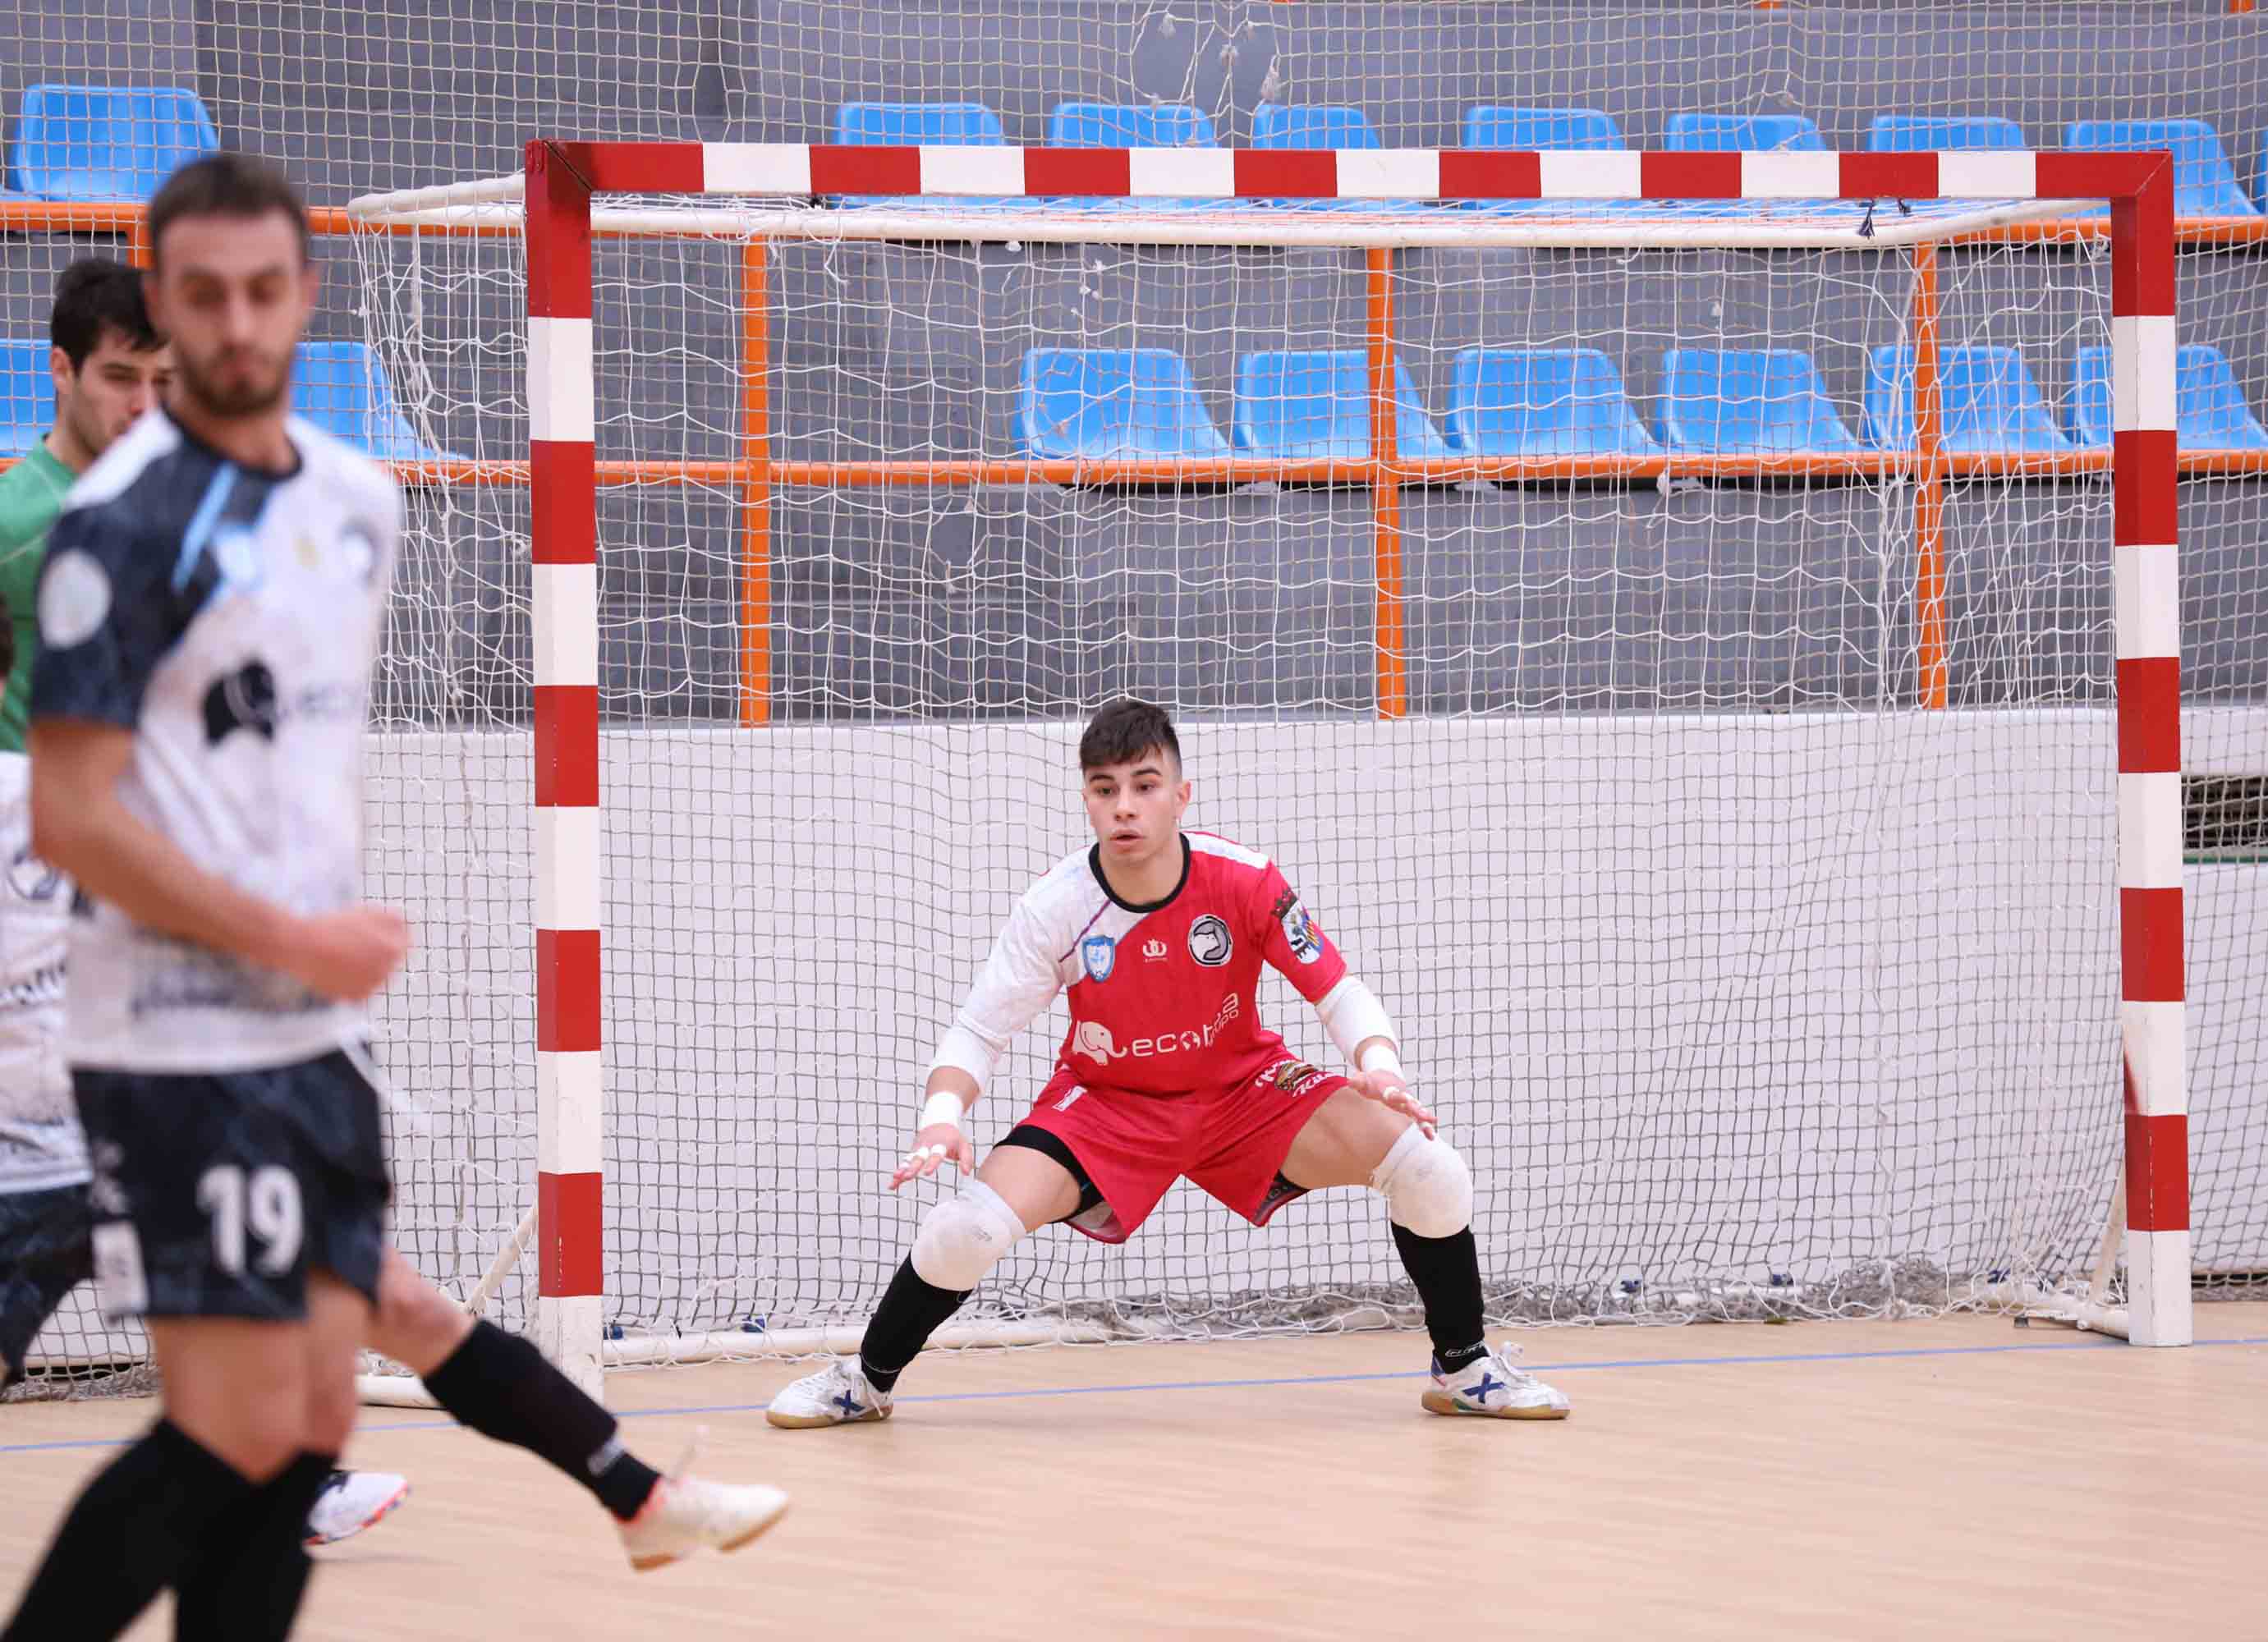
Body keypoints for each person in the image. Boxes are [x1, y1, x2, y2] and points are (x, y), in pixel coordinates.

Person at [1, 158, 783, 1642]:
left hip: (309, 1042)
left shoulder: (360, 506)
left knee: (305, 1428)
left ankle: (632, 1500)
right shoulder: (107, 532)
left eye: (266, 289)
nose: (237, 322)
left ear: (306, 296)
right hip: (169, 1042)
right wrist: (291, 937)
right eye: (204, 294)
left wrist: (315, 950)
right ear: (164, 308)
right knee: (237, 1430)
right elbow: (74, 814)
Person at [768, 696, 1570, 1430]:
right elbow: (978, 1032)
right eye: (1104, 787)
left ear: (1180, 794)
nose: (1124, 805)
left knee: (1429, 1167)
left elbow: (1338, 987)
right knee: (964, 1227)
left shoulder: (1244, 878)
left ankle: (1463, 1365)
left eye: (1144, 784)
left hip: (1245, 1092)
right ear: (1086, 798)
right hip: (1108, 1106)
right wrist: (942, 1120)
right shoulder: (1056, 906)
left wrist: (1380, 1065)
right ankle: (865, 1380)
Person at [0, 257, 409, 1548]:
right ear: (57, 374)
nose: (141, 403)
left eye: (157, 381)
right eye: (118, 379)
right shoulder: (48, 525)